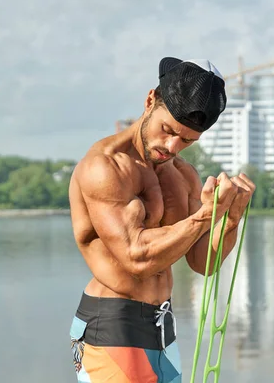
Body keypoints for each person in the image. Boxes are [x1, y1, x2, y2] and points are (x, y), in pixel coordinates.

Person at [67, 56, 255, 383]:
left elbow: (204, 262)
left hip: (163, 328)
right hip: (113, 325)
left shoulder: (182, 175)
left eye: (186, 141)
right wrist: (205, 216)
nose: (172, 146)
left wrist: (229, 218)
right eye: (167, 130)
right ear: (150, 100)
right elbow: (136, 258)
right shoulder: (106, 167)